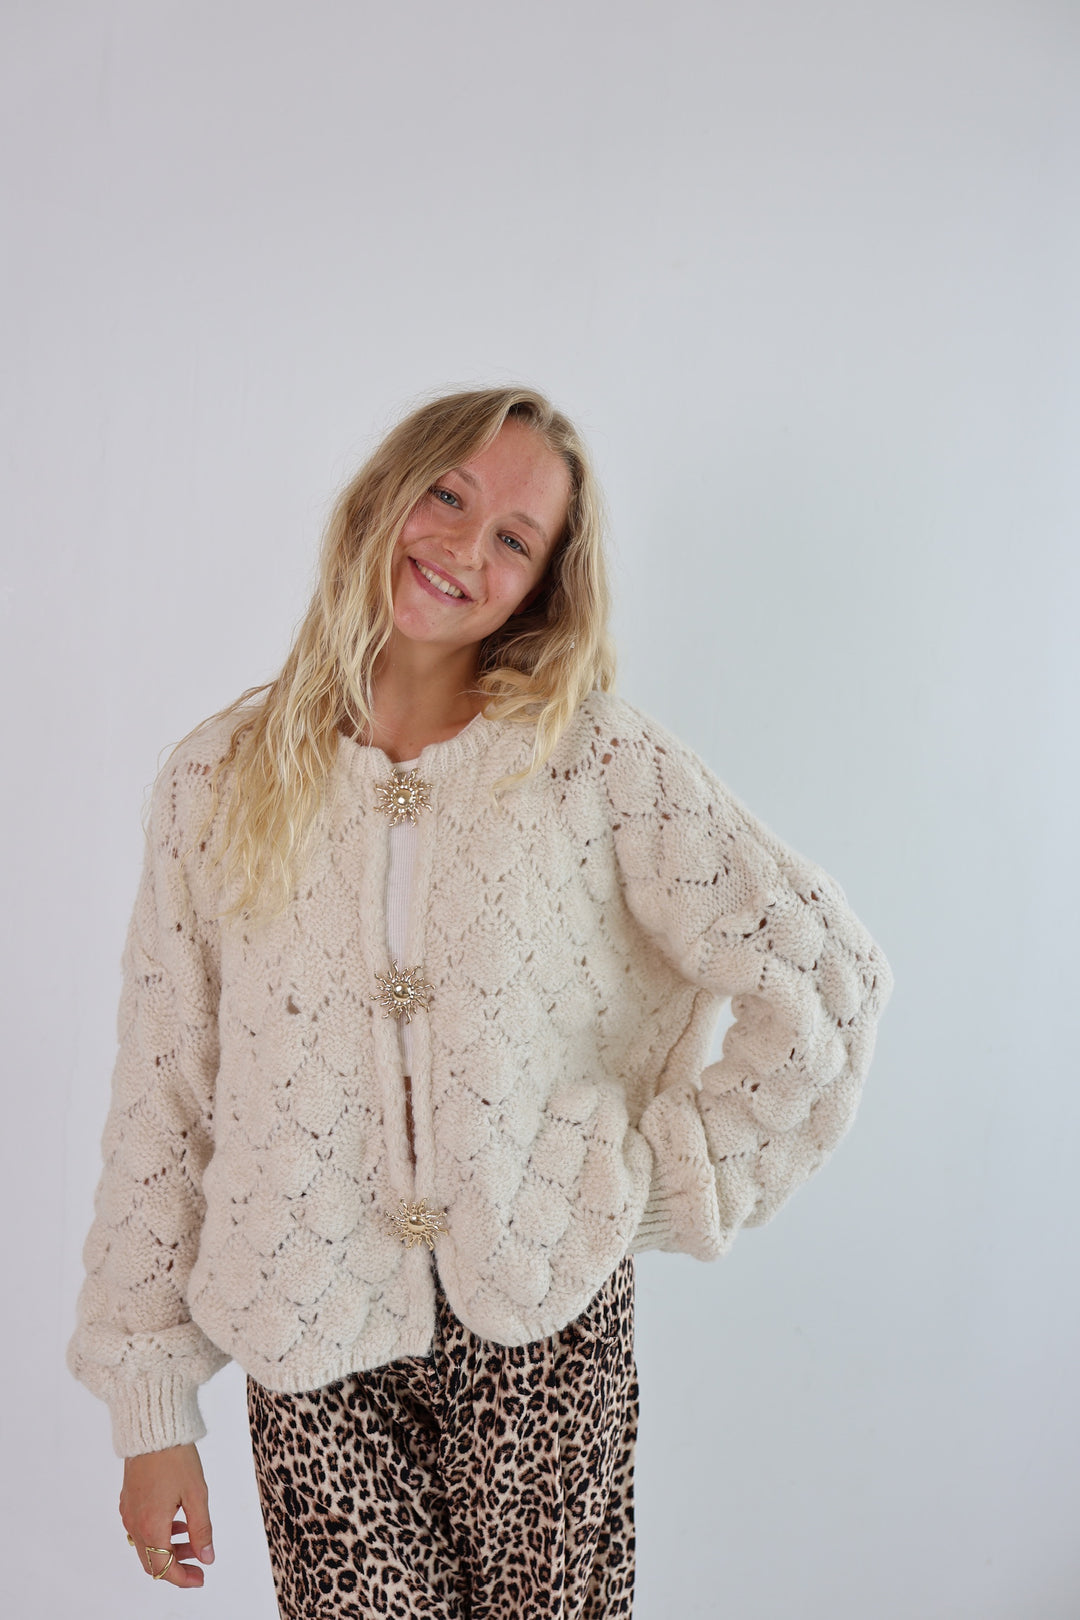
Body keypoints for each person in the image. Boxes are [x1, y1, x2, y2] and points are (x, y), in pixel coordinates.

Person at [67, 384, 895, 1618]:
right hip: (309, 1341)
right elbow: (163, 1095)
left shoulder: (593, 761)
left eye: (513, 536)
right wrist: (151, 1409)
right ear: (385, 495)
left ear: (544, 584)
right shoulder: (217, 782)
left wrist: (656, 1186)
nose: (463, 545)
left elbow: (828, 979)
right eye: (448, 495)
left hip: (543, 1331)